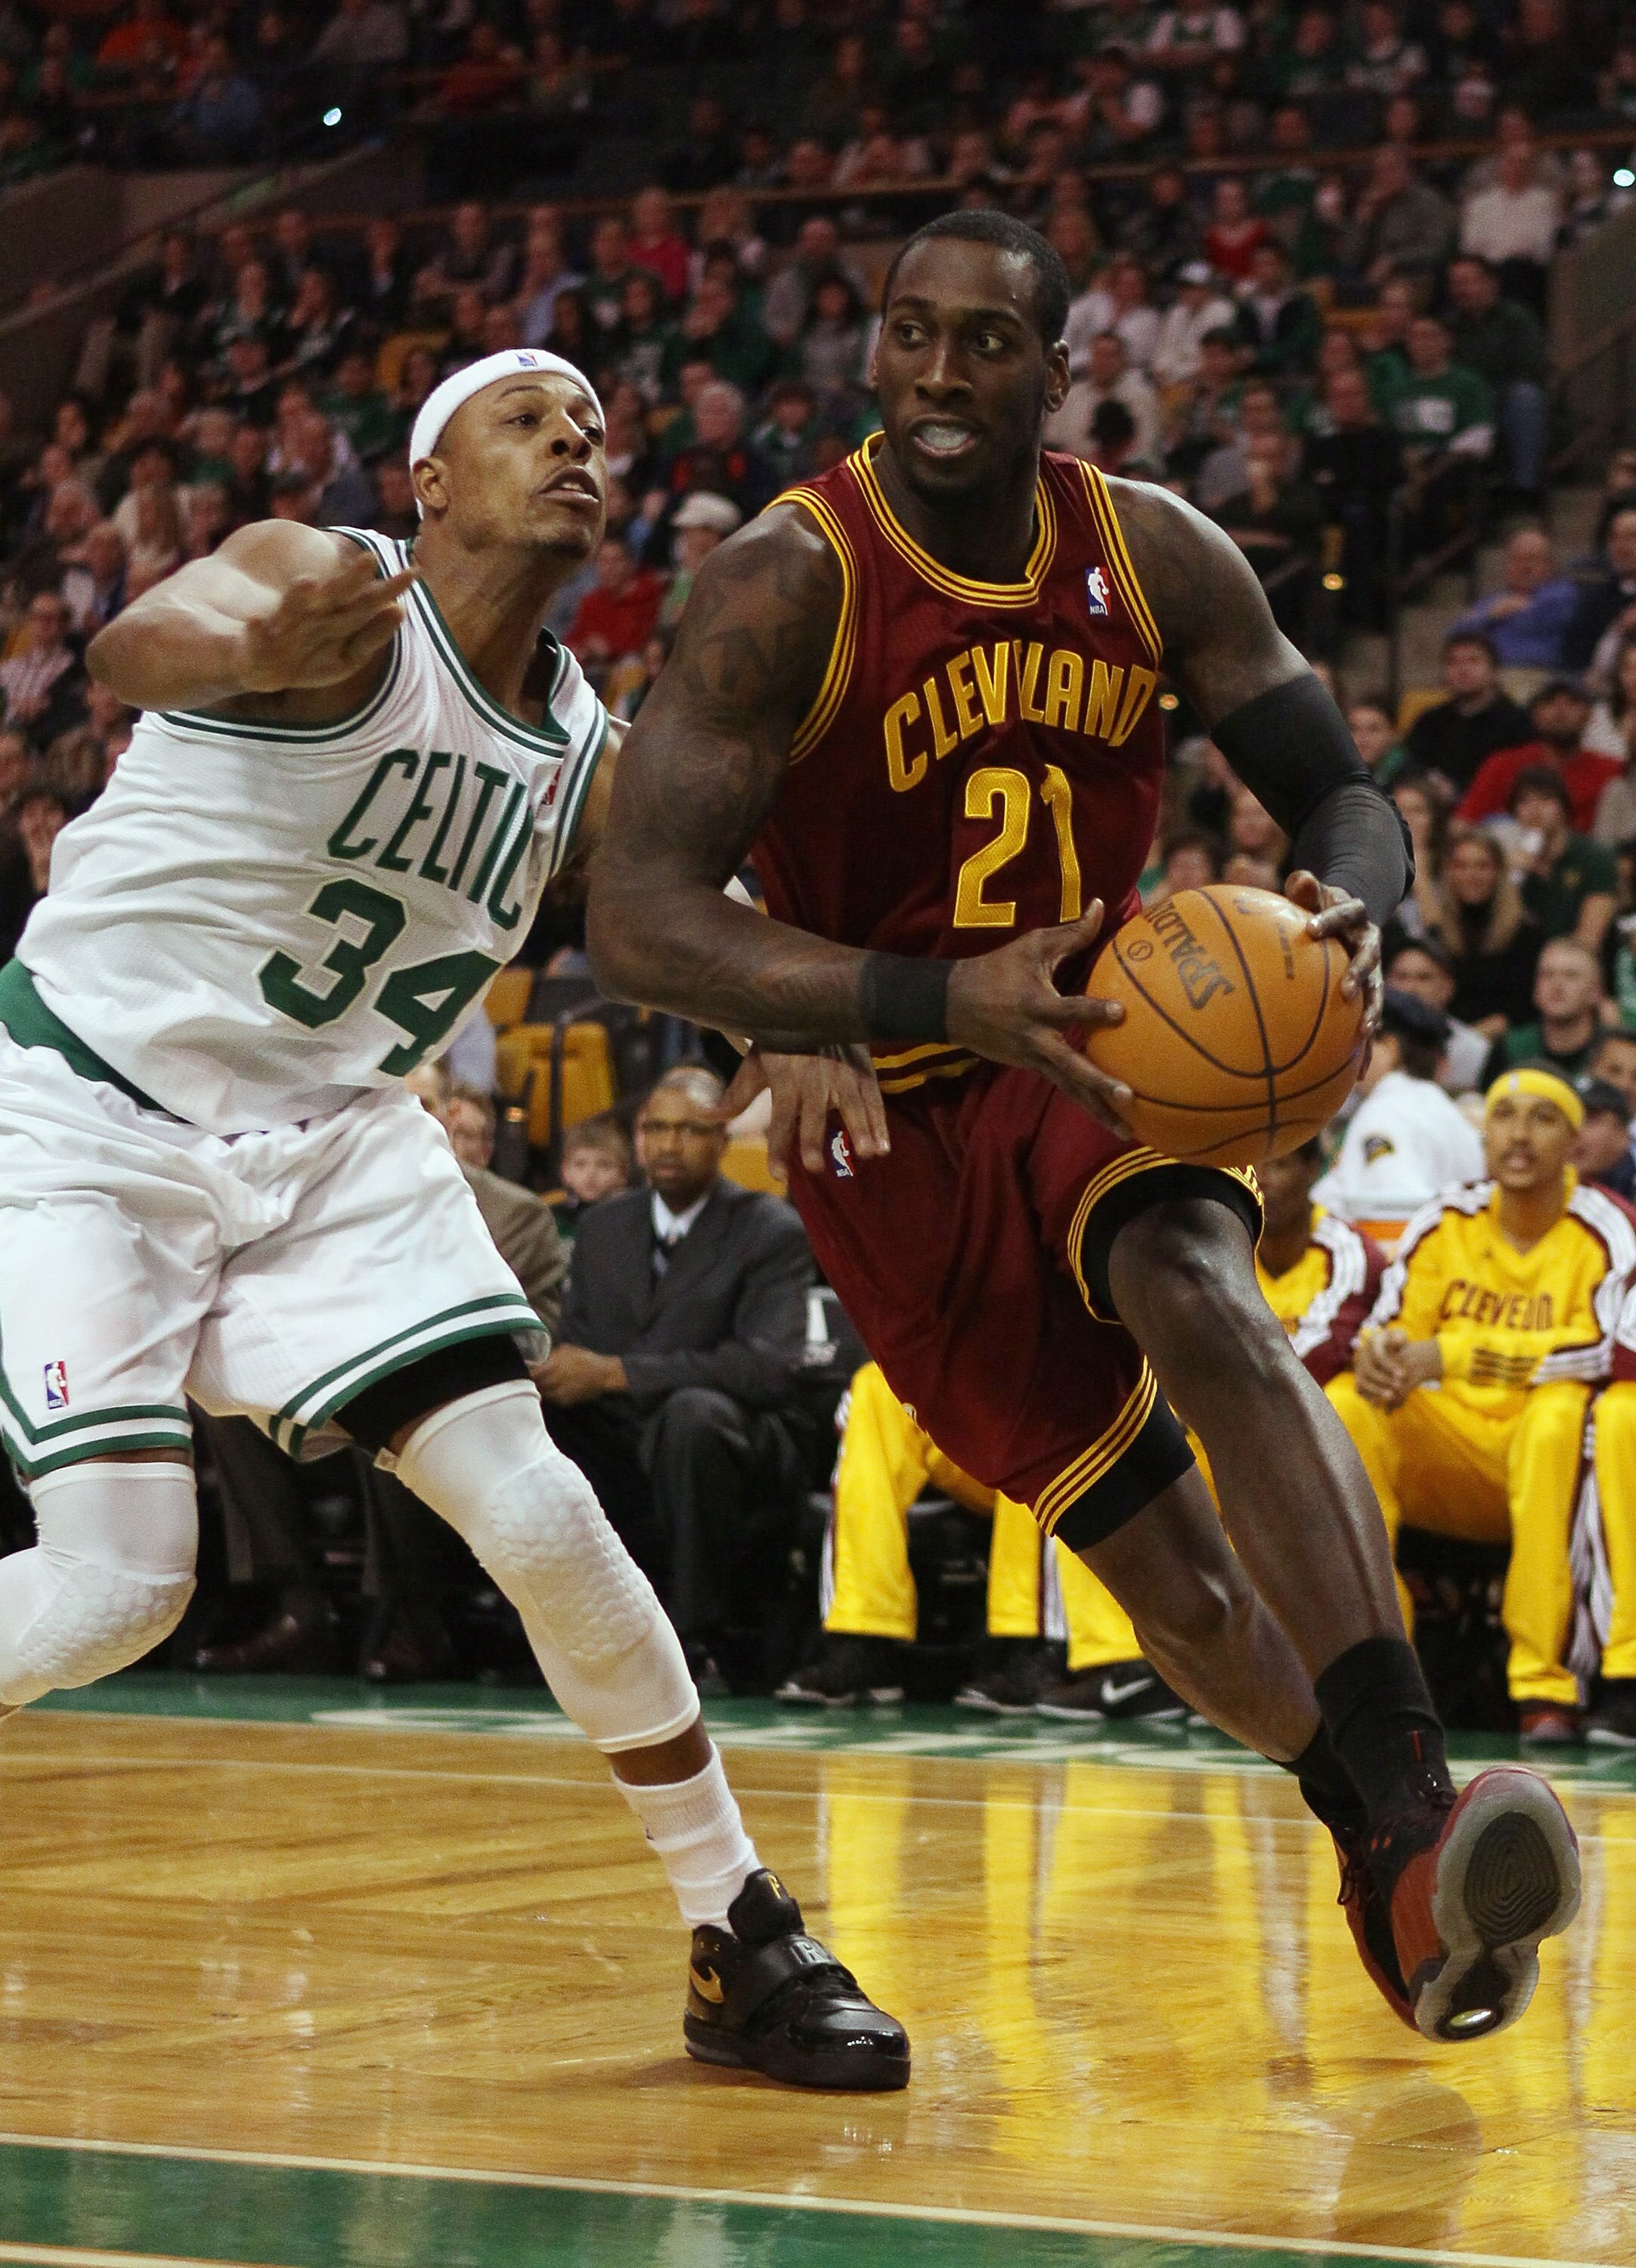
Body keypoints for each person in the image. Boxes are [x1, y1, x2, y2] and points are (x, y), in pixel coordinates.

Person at [591, 210, 1581, 2044]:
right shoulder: (784, 580)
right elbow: (640, 911)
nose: (941, 374)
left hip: (1107, 1039)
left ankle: (1424, 1794)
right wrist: (913, 997)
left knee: (1194, 1274)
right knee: (1169, 1575)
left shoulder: (1155, 555)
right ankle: (1377, 1837)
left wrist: (1357, 906)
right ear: (871, 351)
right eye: (908, 332)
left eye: (986, 343)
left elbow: (1345, 791)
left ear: (1062, 372)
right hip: (885, 1105)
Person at [0, 345, 904, 2090]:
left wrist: (802, 1015)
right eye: (527, 415)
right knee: (116, 1591)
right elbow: (127, 650)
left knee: (540, 1505)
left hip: (333, 1139)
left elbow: (681, 920)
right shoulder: (327, 579)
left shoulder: (589, 756)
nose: (577, 437)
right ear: (422, 483)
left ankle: (742, 1931)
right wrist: (235, 637)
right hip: (92, 1110)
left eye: (593, 423)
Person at [1329, 1068, 1636, 1745]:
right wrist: (1382, 1352)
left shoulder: (1606, 1228)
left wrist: (1455, 1354)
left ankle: (1542, 1682)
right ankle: (1375, 1667)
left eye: (1542, 1118)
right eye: (1504, 1116)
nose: (1519, 1135)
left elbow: (1607, 1349)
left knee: (1562, 1414)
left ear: (1576, 1141)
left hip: (1551, 1465)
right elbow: (1392, 1321)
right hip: (1452, 1453)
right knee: (1351, 1403)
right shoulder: (1445, 1220)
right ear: (1484, 1133)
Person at [538, 1065, 816, 1681]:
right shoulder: (604, 1225)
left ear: (723, 1140)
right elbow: (579, 1343)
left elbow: (767, 1368)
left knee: (692, 1416)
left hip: (735, 1436)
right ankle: (548, 1632)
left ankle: (695, 1637)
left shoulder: (770, 1230)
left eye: (690, 1129)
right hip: (623, 1432)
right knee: (521, 1417)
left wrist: (617, 1374)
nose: (668, 1144)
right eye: (654, 1129)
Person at [777, 1361, 1156, 1718]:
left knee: (1044, 1390)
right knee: (878, 1386)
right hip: (982, 1418)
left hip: (1067, 1413)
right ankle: (865, 1636)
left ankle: (1031, 1646)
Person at [1313, 987, 1486, 1248]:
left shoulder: (1386, 1113)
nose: (1349, 1055)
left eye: (1358, 1042)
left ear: (1389, 1048)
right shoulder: (1444, 1110)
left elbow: (1395, 1216)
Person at [1460, 679, 1620, 837]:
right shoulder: (1501, 765)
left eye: (1572, 703)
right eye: (1550, 702)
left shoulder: (1611, 771)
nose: (1561, 711)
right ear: (1534, 715)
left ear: (1589, 716)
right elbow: (1464, 824)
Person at [1405, 631, 1532, 798]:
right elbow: (1409, 762)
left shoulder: (1518, 723)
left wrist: (1458, 789)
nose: (1462, 670)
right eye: (1453, 662)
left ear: (1494, 671)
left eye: (1473, 661)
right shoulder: (1430, 720)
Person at [1505, 767, 1618, 954]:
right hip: (1524, 965)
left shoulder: (1595, 857)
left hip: (1578, 965)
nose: (1535, 810)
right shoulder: (1512, 864)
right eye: (1524, 801)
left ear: (1563, 808)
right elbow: (1500, 935)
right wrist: (1508, 884)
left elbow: (1590, 939)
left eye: (1546, 799)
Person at [1483, 937, 1607, 1089]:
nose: (1557, 985)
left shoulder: (1612, 1054)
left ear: (1596, 992)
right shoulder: (1510, 1048)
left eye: (1571, 975)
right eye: (1548, 975)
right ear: (1536, 989)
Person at [1449, 528, 1579, 673]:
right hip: (1491, 676)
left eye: (1533, 559)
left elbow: (1533, 619)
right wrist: (1489, 616)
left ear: (1550, 564)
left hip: (1537, 674)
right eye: (1517, 559)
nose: (1525, 567)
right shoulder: (1493, 601)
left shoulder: (1562, 594)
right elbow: (1457, 635)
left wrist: (1491, 619)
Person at [1385, 935, 1491, 1094]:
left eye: (1424, 978)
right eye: (1402, 977)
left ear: (1448, 987)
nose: (1411, 988)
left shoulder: (1473, 1049)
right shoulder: (1361, 1043)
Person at [552, 1110, 634, 1241]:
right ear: (565, 1171)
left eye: (604, 1165)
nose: (591, 1174)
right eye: (580, 1164)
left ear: (623, 1174)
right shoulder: (553, 1219)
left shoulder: (631, 1219)